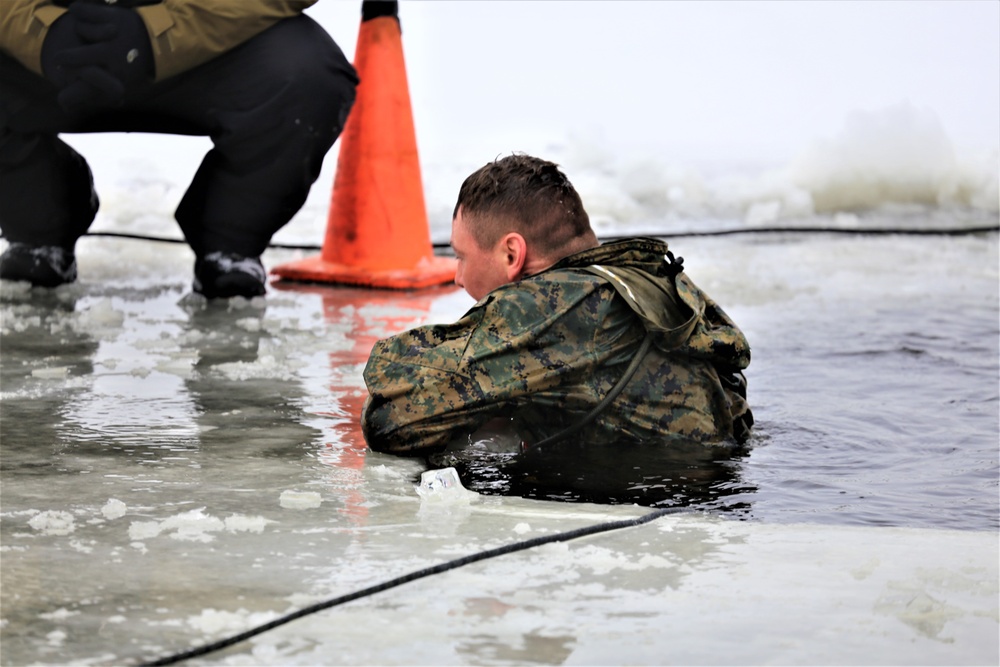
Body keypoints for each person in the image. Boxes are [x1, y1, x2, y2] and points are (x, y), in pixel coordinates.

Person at [361, 154, 753, 456]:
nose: (456, 277)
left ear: (512, 254)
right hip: (709, 490)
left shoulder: (546, 305)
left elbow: (390, 421)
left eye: (461, 257)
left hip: (649, 507)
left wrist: (490, 409)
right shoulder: (638, 279)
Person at [0, 0, 360, 298]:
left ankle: (229, 243)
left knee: (306, 76)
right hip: (49, 52)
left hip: (203, 44)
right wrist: (40, 35)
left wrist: (157, 36)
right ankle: (38, 218)